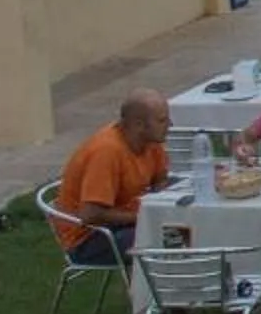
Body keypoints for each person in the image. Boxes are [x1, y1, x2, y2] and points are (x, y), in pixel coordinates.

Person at [49, 90, 170, 268]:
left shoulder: (150, 143)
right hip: (89, 237)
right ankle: (154, 294)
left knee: (182, 229)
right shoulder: (107, 152)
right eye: (162, 120)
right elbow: (91, 215)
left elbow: (160, 181)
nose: (170, 125)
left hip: (120, 223)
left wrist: (162, 204)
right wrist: (142, 217)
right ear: (138, 125)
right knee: (170, 238)